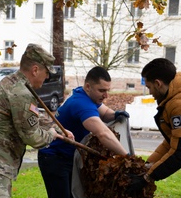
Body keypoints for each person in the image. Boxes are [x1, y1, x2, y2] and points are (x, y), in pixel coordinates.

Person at [0, 43, 74, 198]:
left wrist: (59, 130)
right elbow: (32, 137)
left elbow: (32, 118)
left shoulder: (12, 83)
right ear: (35, 70)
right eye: (46, 72)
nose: (47, 77)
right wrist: (52, 134)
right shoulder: (21, 93)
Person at [38, 66, 129, 198]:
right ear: (88, 86)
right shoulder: (81, 104)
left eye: (107, 90)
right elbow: (102, 133)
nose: (106, 95)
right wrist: (127, 156)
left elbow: (104, 113)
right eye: (102, 90)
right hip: (54, 158)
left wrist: (116, 115)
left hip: (67, 157)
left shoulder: (86, 95)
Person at [126, 58, 181, 195]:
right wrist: (147, 166)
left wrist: (147, 177)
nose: (149, 92)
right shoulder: (172, 95)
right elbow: (171, 141)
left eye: (149, 87)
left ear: (158, 84)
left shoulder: (177, 105)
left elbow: (179, 151)